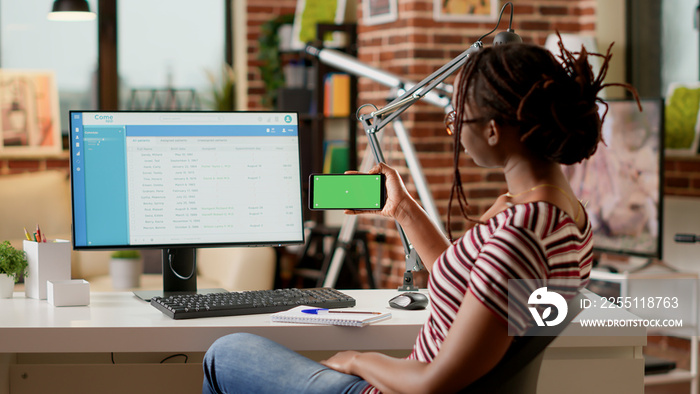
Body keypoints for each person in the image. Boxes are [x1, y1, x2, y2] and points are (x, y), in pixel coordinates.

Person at [202, 37, 637, 394]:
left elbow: (433, 381)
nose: (454, 130)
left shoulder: (520, 232)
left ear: (492, 130)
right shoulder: (562, 216)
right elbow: (465, 282)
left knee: (225, 352)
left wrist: (357, 361)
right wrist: (403, 208)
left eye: (456, 118)